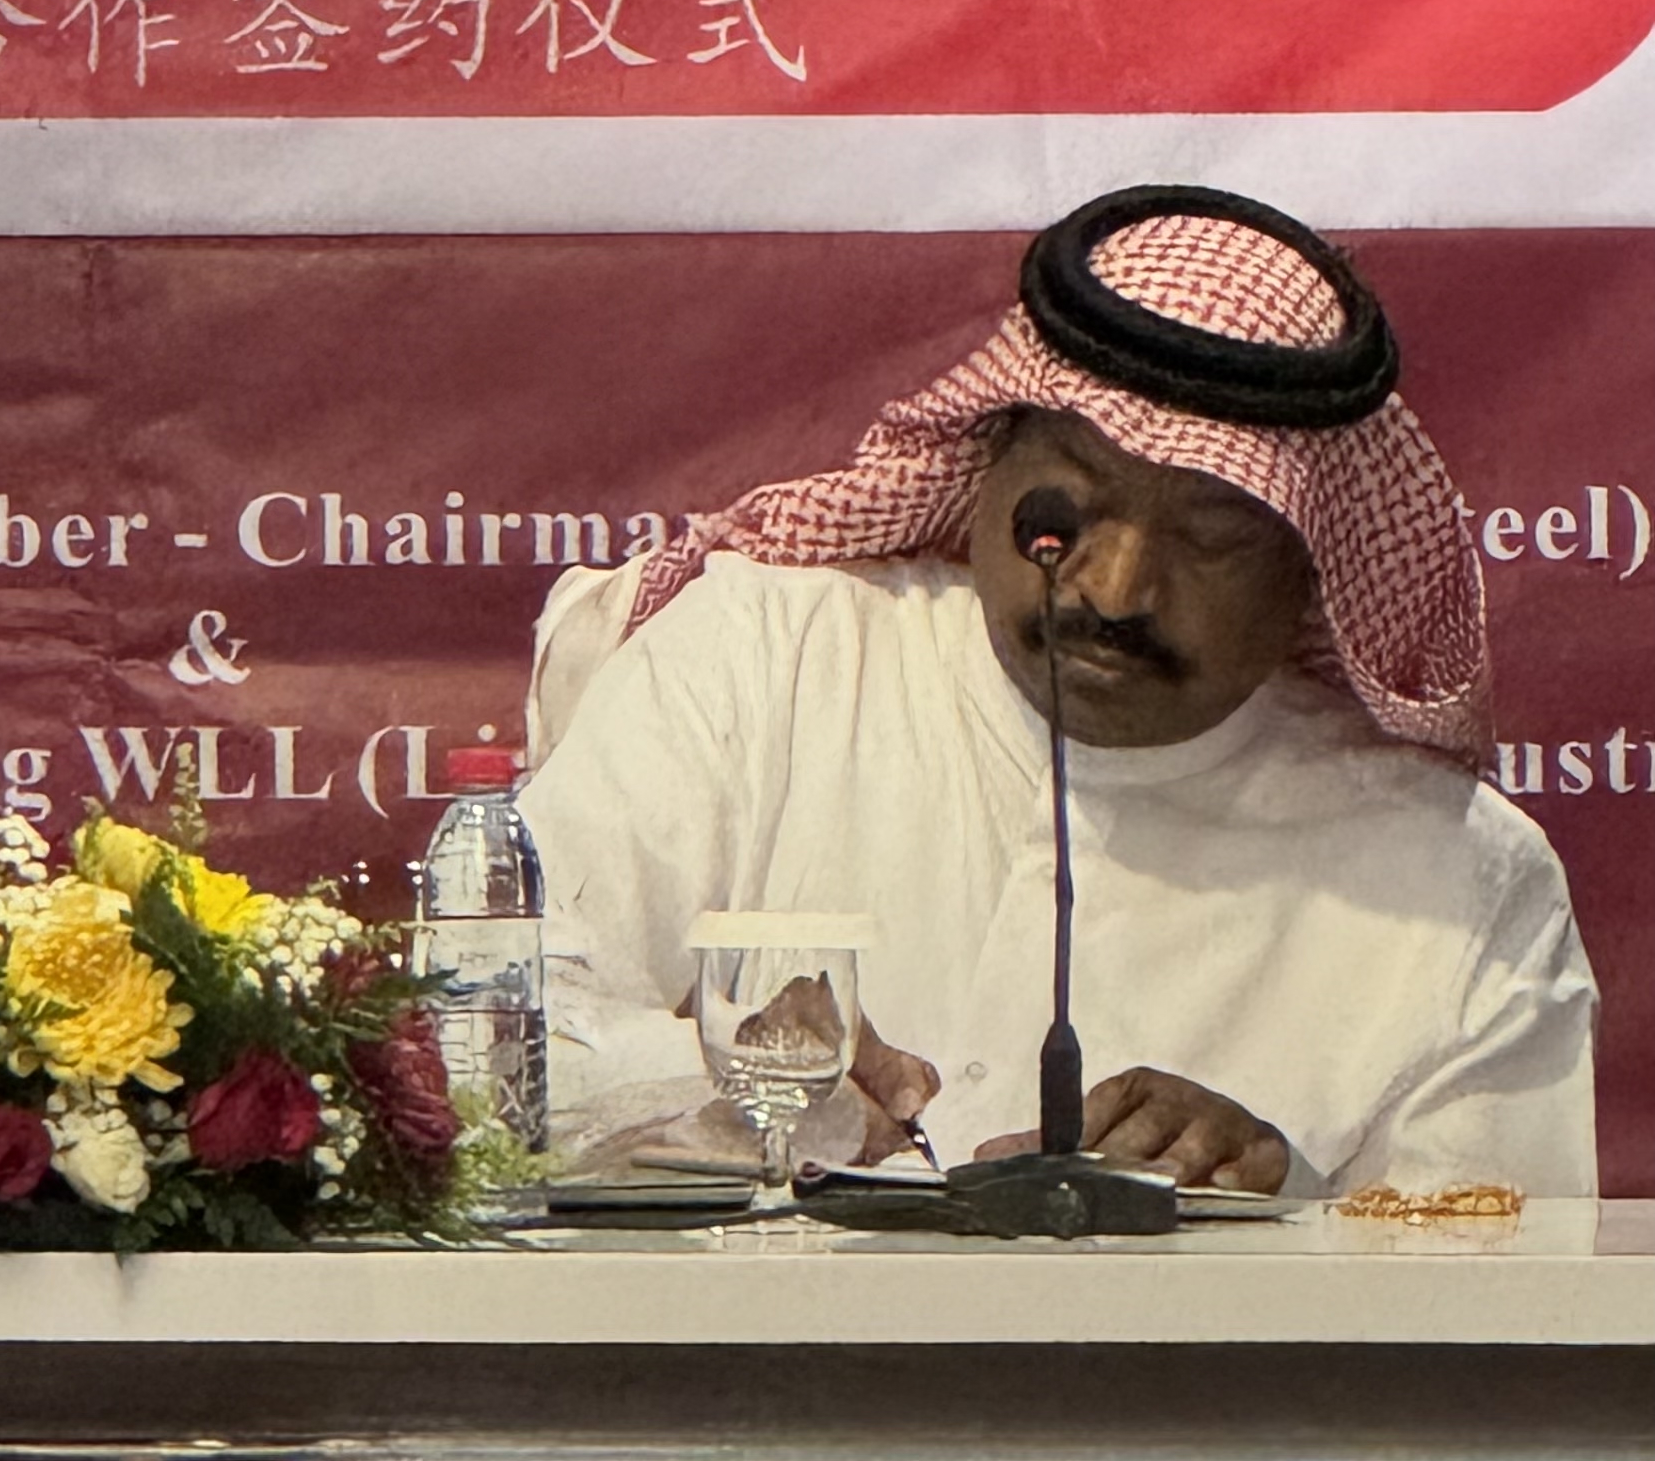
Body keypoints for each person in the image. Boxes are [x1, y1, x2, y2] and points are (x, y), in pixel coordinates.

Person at [521, 184, 1598, 1196]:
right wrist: (735, 1079)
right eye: (1067, 509)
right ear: (986, 469)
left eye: (1212, 537)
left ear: (1313, 571)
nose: (1116, 590)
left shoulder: (1456, 884)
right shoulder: (764, 660)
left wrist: (1281, 1206)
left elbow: (1513, 1282)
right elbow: (483, 1041)